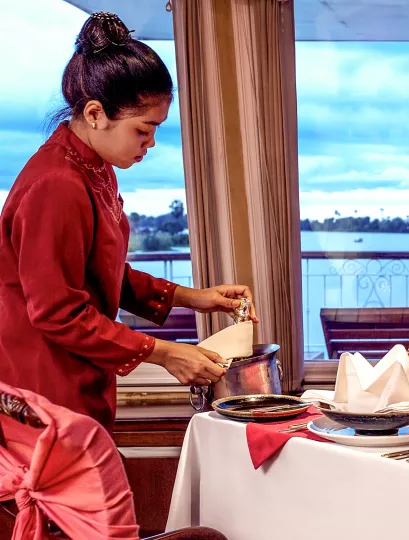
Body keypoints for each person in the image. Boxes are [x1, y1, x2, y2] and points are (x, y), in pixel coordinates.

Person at [0, 12, 258, 431]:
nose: (151, 143)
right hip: (43, 385)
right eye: (144, 130)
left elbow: (102, 276)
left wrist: (193, 297)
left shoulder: (95, 168)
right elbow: (58, 313)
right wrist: (166, 353)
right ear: (96, 113)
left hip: (74, 377)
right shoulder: (57, 185)